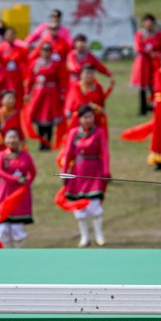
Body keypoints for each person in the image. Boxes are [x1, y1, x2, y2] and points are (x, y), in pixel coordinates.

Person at [61, 105, 110, 247]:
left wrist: (106, 171)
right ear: (79, 119)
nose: (88, 120)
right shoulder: (73, 133)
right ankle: (84, 237)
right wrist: (65, 172)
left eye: (90, 117)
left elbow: (105, 152)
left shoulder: (99, 132)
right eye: (85, 117)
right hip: (78, 172)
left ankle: (99, 235)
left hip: (94, 171)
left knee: (94, 205)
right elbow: (68, 153)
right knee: (79, 206)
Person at [0, 129, 36, 248]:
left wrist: (27, 183)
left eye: (15, 137)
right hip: (5, 192)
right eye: (9, 137)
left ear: (19, 140)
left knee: (17, 227)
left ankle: (18, 253)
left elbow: (32, 171)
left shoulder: (25, 156)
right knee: (3, 228)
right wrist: (15, 180)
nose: (12, 140)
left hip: (20, 195)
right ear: (5, 140)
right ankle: (7, 253)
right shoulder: (1, 155)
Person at [26, 42, 64, 150]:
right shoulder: (35, 64)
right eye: (43, 49)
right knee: (39, 118)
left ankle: (48, 141)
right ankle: (41, 141)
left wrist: (61, 93)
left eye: (48, 50)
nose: (46, 52)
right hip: (39, 94)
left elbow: (61, 79)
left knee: (50, 118)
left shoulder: (56, 64)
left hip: (51, 93)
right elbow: (30, 79)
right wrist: (27, 93)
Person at [131, 14, 161, 116]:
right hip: (143, 61)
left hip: (155, 62)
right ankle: (142, 107)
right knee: (142, 86)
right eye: (146, 21)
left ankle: (153, 105)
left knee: (154, 84)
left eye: (150, 21)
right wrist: (149, 52)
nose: (148, 23)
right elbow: (139, 47)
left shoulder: (158, 34)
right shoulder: (140, 34)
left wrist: (156, 53)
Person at [65, 65, 114, 137]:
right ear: (81, 75)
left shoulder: (98, 87)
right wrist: (96, 107)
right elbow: (81, 101)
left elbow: (101, 99)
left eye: (91, 73)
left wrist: (110, 88)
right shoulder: (77, 86)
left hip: (95, 116)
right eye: (86, 73)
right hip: (81, 116)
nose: (88, 75)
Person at [0, 27, 29, 109]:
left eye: (12, 34)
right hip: (5, 76)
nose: (10, 36)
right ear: (5, 36)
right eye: (8, 34)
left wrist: (25, 77)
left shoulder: (21, 49)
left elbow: (25, 63)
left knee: (18, 96)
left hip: (17, 76)